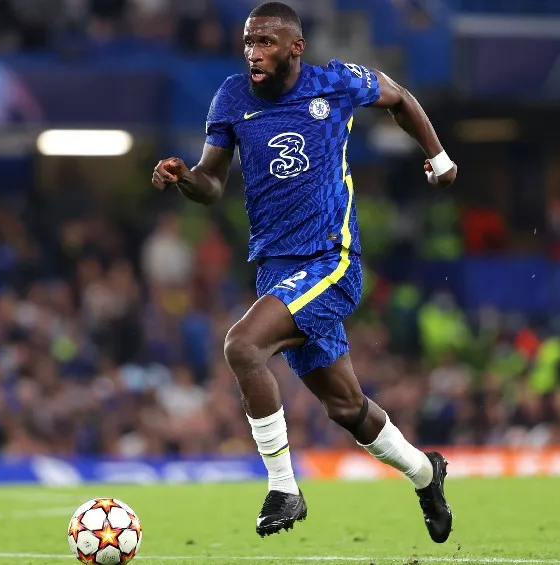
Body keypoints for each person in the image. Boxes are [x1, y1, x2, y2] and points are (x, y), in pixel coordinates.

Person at [151, 1, 456, 542]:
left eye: (266, 42)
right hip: (276, 270)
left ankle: (284, 488)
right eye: (248, 42)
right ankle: (425, 472)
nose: (253, 53)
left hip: (330, 261)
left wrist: (437, 156)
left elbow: (400, 98)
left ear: (295, 47)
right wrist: (183, 178)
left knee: (242, 346)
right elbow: (212, 183)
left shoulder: (335, 83)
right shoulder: (231, 97)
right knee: (346, 407)